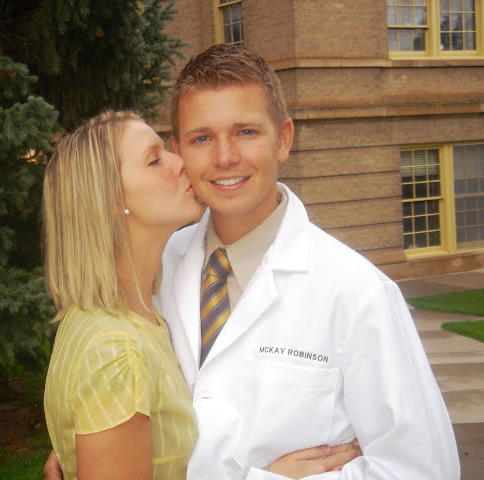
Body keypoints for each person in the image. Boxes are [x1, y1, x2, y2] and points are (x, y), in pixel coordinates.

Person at [47, 44, 460, 479]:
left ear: (283, 139)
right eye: (202, 138)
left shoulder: (357, 293)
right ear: (180, 150)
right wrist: (97, 442)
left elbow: (424, 469)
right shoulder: (154, 269)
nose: (225, 157)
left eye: (245, 132)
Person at [41, 110, 202, 479]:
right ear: (111, 198)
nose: (181, 163)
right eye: (154, 159)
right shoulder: (115, 352)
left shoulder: (128, 315)